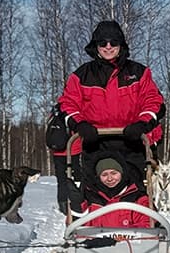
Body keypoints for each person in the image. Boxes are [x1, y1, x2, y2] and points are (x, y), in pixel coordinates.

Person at [58, 20, 164, 181]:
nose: (108, 46)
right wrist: (80, 125)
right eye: (103, 42)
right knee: (98, 195)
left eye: (113, 42)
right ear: (96, 46)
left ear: (121, 44)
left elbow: (153, 101)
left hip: (132, 141)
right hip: (95, 143)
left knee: (135, 193)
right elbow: (68, 103)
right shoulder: (81, 75)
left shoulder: (139, 72)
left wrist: (142, 124)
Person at [68, 151, 152, 228]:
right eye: (104, 175)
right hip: (95, 242)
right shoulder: (90, 197)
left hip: (131, 242)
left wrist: (119, 238)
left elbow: (147, 225)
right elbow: (77, 228)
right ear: (98, 177)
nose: (110, 178)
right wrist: (77, 206)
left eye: (114, 173)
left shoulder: (137, 198)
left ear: (122, 173)